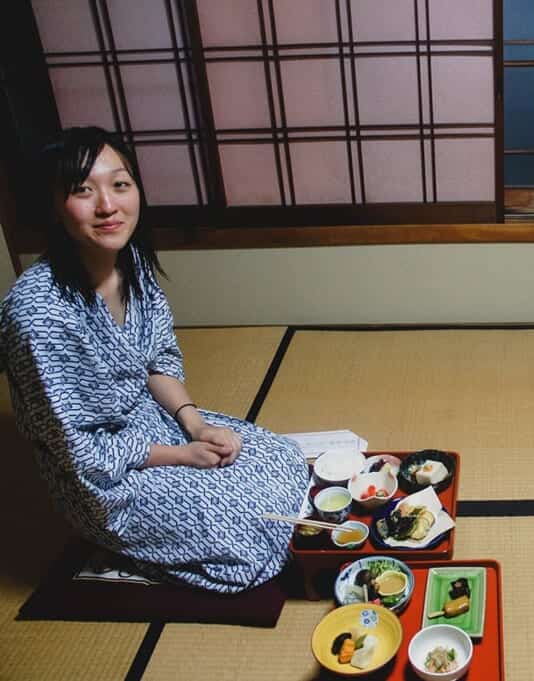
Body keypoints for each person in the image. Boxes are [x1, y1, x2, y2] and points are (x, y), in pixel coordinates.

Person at [0, 127, 308, 593]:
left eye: (120, 184)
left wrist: (196, 424)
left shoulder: (132, 262)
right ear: (53, 206)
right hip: (103, 474)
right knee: (243, 535)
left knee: (284, 461)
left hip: (154, 424)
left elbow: (159, 360)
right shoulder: (38, 315)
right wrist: (181, 456)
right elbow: (79, 451)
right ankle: (114, 553)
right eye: (83, 191)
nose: (108, 206)